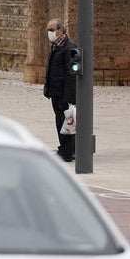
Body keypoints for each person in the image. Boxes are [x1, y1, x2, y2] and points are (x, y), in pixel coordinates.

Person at [43, 17, 77, 163]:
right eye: (48, 30)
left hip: (63, 93)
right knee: (60, 121)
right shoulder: (55, 46)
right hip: (55, 92)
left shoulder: (68, 47)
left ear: (61, 31)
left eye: (52, 30)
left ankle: (67, 152)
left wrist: (68, 97)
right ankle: (63, 148)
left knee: (66, 121)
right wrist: (48, 89)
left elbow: (71, 74)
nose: (49, 33)